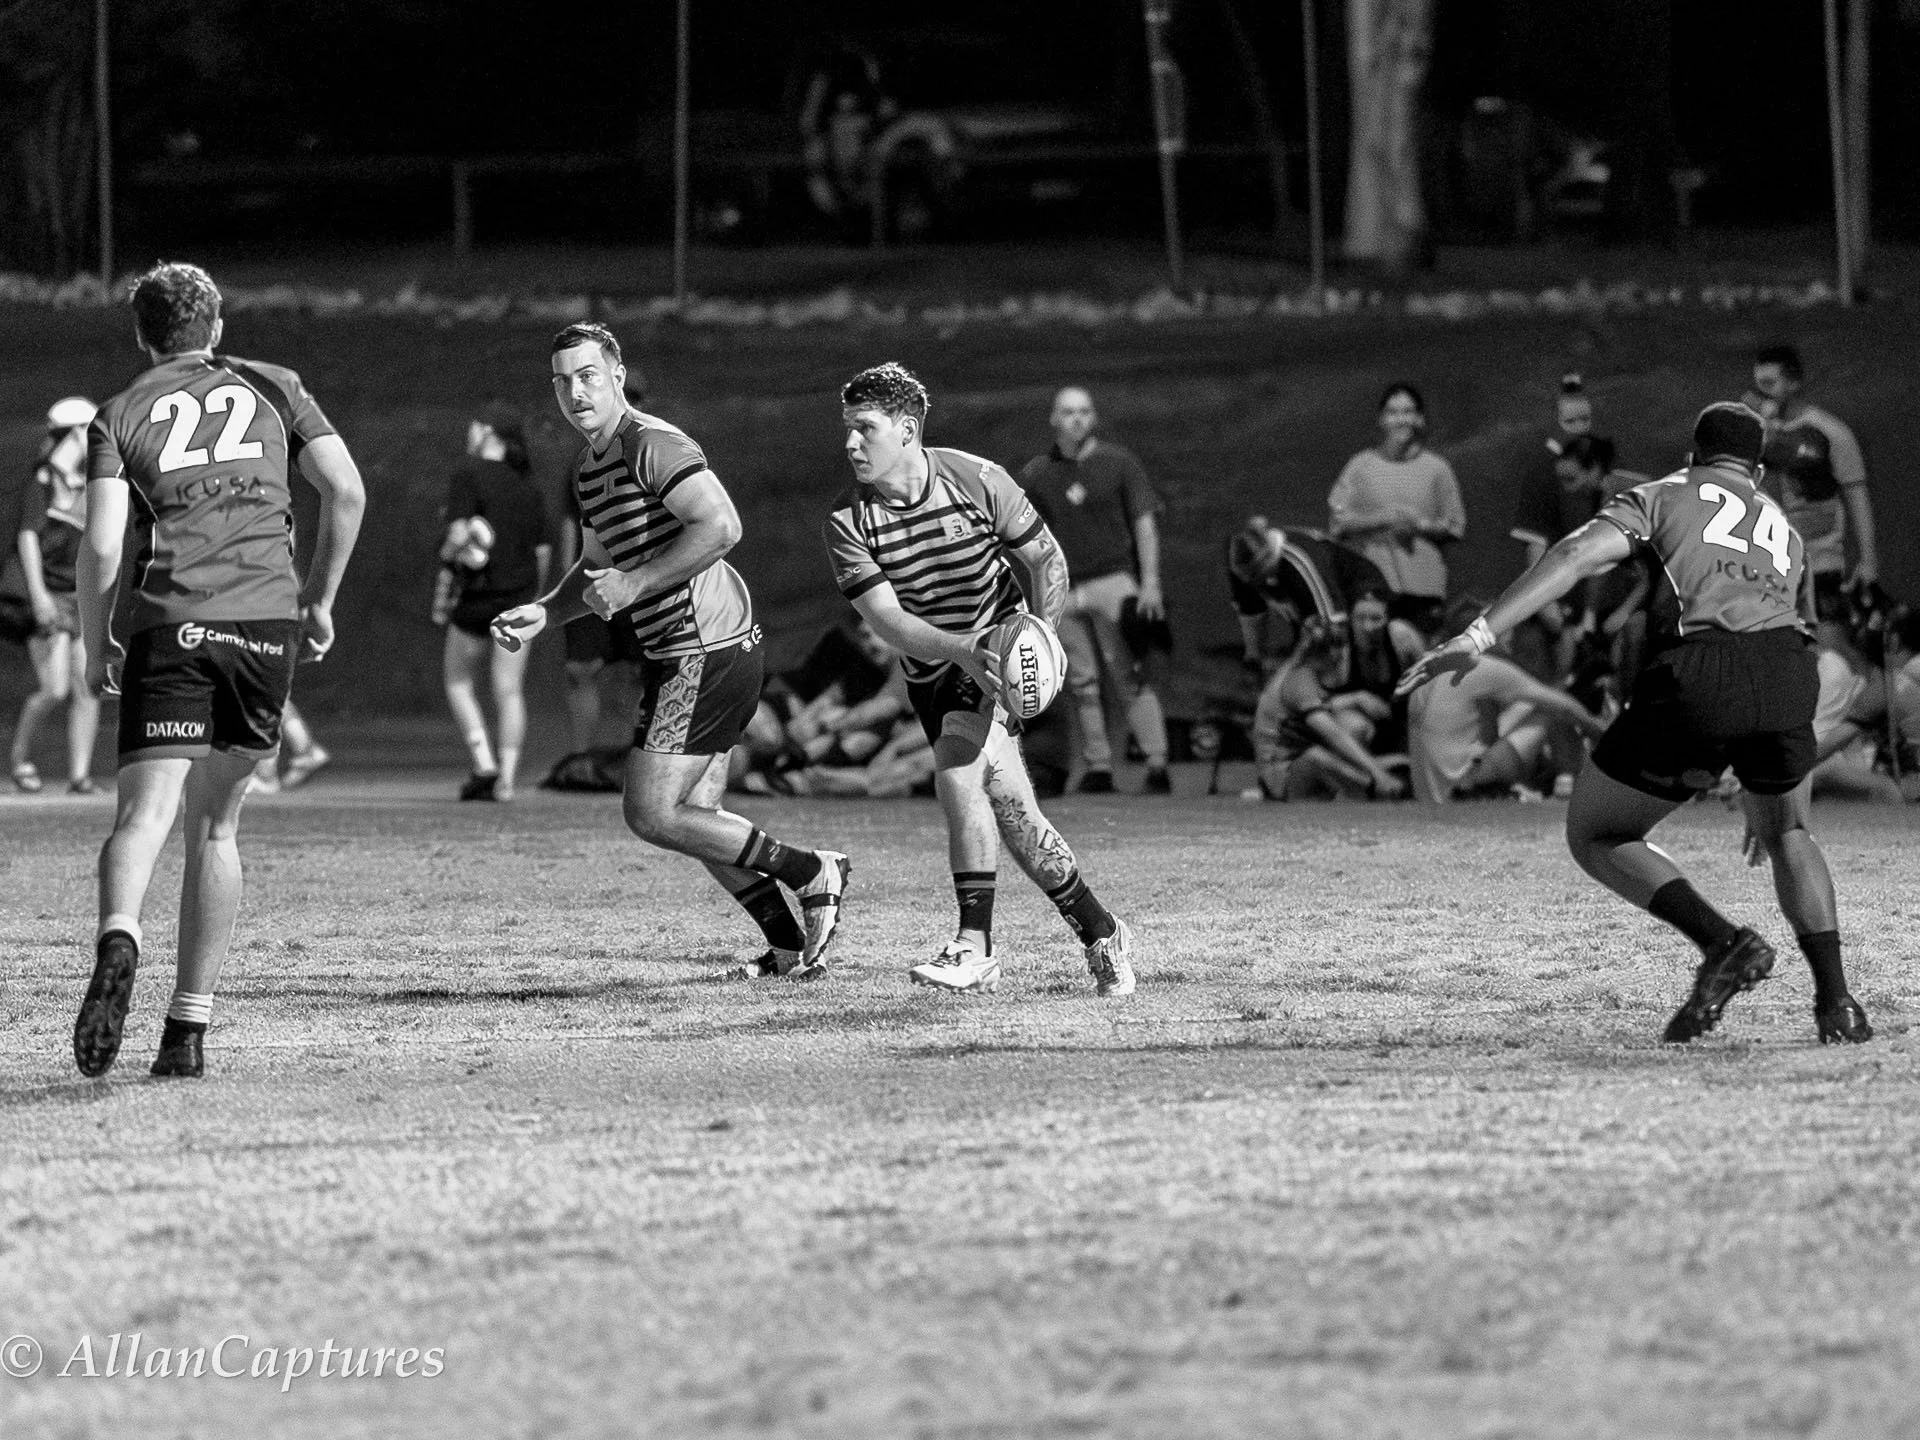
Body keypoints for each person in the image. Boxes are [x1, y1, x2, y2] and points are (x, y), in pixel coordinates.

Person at [1399, 402, 1872, 1046]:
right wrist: (1773, 782)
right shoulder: (1782, 527)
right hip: (1789, 675)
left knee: (1596, 830)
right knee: (1792, 832)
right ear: (1757, 470)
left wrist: (1480, 633)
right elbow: (1802, 636)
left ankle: (1723, 942)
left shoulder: (1668, 493)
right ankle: (1838, 1004)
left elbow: (1573, 556)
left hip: (1702, 672)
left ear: (1692, 456)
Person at [71, 261, 367, 1079]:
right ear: (218, 327)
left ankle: (119, 935)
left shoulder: (118, 413)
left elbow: (100, 545)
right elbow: (344, 491)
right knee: (218, 827)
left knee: (142, 817)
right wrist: (319, 599)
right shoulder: (274, 385)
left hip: (171, 620)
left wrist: (96, 642)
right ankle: (186, 1036)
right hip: (264, 621)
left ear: (141, 334)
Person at [491, 322, 849, 982]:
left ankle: (812, 870)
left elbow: (722, 526)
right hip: (690, 650)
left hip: (704, 648)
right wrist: (544, 611)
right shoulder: (589, 468)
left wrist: (636, 582)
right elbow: (594, 570)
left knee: (652, 812)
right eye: (562, 381)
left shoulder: (650, 444)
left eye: (589, 375)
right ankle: (790, 948)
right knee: (696, 820)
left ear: (618, 376)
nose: (576, 391)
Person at [824, 362, 1136, 997]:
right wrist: (961, 650)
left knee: (956, 773)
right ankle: (1102, 931)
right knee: (1016, 816)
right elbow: (889, 621)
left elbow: (1044, 557)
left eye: (865, 429)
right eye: (847, 431)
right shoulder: (848, 520)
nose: (851, 444)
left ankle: (974, 946)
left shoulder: (977, 478)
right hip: (936, 670)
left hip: (998, 653)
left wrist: (1041, 637)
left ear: (907, 429)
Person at [1017, 386, 1171, 794]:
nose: (1077, 420)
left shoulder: (1118, 463)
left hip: (1112, 581)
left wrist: (1149, 582)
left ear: (1095, 418)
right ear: (1054, 418)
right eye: (1068, 412)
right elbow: (1024, 535)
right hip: (1064, 589)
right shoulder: (1038, 472)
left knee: (1127, 672)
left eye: (1084, 412)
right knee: (1080, 681)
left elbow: (1144, 523)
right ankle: (1098, 765)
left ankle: (1156, 761)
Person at [439, 403, 551, 802]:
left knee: (457, 682)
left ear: (487, 432)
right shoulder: (530, 486)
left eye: (474, 426)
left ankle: (483, 763)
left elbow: (456, 536)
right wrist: (533, 598)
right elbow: (541, 553)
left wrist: (454, 553)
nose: (469, 433)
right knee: (509, 690)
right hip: (518, 598)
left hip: (475, 598)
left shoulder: (466, 474)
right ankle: (504, 782)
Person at [1406, 602, 1608, 803]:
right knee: (1550, 711)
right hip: (1466, 785)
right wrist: (1606, 737)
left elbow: (1488, 735)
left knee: (1525, 709)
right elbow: (1565, 706)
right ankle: (1572, 783)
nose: (1510, 635)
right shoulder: (1482, 666)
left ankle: (1527, 788)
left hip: (1430, 793)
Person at [10, 396, 102, 794]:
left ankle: (79, 777)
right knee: (55, 689)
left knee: (88, 687)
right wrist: (39, 595)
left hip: (81, 597)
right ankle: (19, 758)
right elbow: (27, 537)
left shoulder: (92, 483)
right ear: (76, 432)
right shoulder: (42, 481)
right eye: (89, 431)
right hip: (49, 594)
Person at [556, 375, 649, 761]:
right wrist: (568, 582)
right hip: (591, 580)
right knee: (582, 669)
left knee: (639, 672)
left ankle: (640, 756)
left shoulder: (655, 454)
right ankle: (582, 758)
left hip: (639, 582)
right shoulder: (584, 462)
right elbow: (567, 524)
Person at [1328, 383, 1466, 637]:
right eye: (1393, 413)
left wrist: (1420, 525)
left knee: (1424, 670)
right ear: (1381, 420)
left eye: (1408, 412)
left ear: (1420, 419)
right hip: (1373, 594)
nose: (1401, 420)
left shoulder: (1437, 469)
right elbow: (1338, 522)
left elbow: (1455, 525)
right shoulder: (1360, 466)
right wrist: (1381, 519)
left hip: (1424, 593)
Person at [1750, 344, 1879, 608]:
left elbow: (1856, 495)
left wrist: (1868, 560)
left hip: (1819, 563)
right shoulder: (1753, 435)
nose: (1761, 393)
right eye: (1758, 384)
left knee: (1826, 644)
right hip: (1765, 568)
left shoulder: (1832, 433)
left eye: (1770, 384)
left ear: (1794, 383)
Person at [1250, 618, 1408, 801]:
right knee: (1320, 753)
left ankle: (1366, 784)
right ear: (1330, 652)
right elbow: (1333, 733)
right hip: (1282, 775)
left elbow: (1311, 708)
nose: (1341, 656)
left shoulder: (1297, 672)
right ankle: (1371, 789)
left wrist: (1355, 698)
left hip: (1291, 763)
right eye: (1339, 648)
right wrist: (1378, 773)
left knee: (1356, 727)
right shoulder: (1300, 681)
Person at [1225, 514, 1389, 674]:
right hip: (1309, 593)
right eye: (1248, 577)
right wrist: (1254, 659)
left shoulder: (1301, 564)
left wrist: (1295, 665)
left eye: (1258, 575)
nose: (1254, 581)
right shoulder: (1242, 561)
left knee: (1327, 648)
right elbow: (1249, 607)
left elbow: (1335, 626)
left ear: (1269, 557)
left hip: (1359, 591)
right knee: (1306, 639)